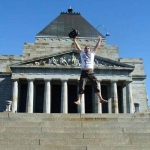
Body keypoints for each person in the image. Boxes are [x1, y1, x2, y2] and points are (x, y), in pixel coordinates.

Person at [73, 36, 108, 105]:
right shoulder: (82, 53)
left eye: (88, 48)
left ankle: (101, 99)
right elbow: (78, 47)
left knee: (96, 84)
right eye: (85, 48)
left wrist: (99, 40)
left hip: (91, 72)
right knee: (81, 86)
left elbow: (97, 47)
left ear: (90, 49)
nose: (87, 49)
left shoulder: (92, 54)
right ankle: (79, 100)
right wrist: (74, 40)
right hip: (83, 72)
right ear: (84, 49)